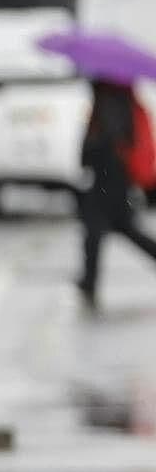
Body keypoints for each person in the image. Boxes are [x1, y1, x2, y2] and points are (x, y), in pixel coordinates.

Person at [76, 79, 156, 309]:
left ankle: (89, 282)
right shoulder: (113, 95)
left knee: (100, 227)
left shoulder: (112, 97)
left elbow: (107, 140)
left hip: (111, 175)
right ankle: (88, 282)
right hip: (111, 175)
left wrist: (88, 151)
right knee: (115, 227)